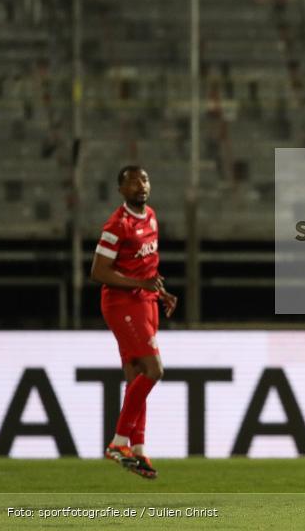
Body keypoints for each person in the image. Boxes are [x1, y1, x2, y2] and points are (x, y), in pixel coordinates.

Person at [91, 166, 177, 478]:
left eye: (144, 179)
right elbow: (98, 271)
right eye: (132, 181)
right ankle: (118, 442)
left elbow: (146, 267)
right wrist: (141, 286)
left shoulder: (151, 216)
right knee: (154, 370)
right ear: (121, 190)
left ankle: (138, 450)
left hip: (146, 301)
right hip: (122, 303)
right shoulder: (117, 225)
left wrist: (161, 292)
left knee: (138, 378)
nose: (140, 185)